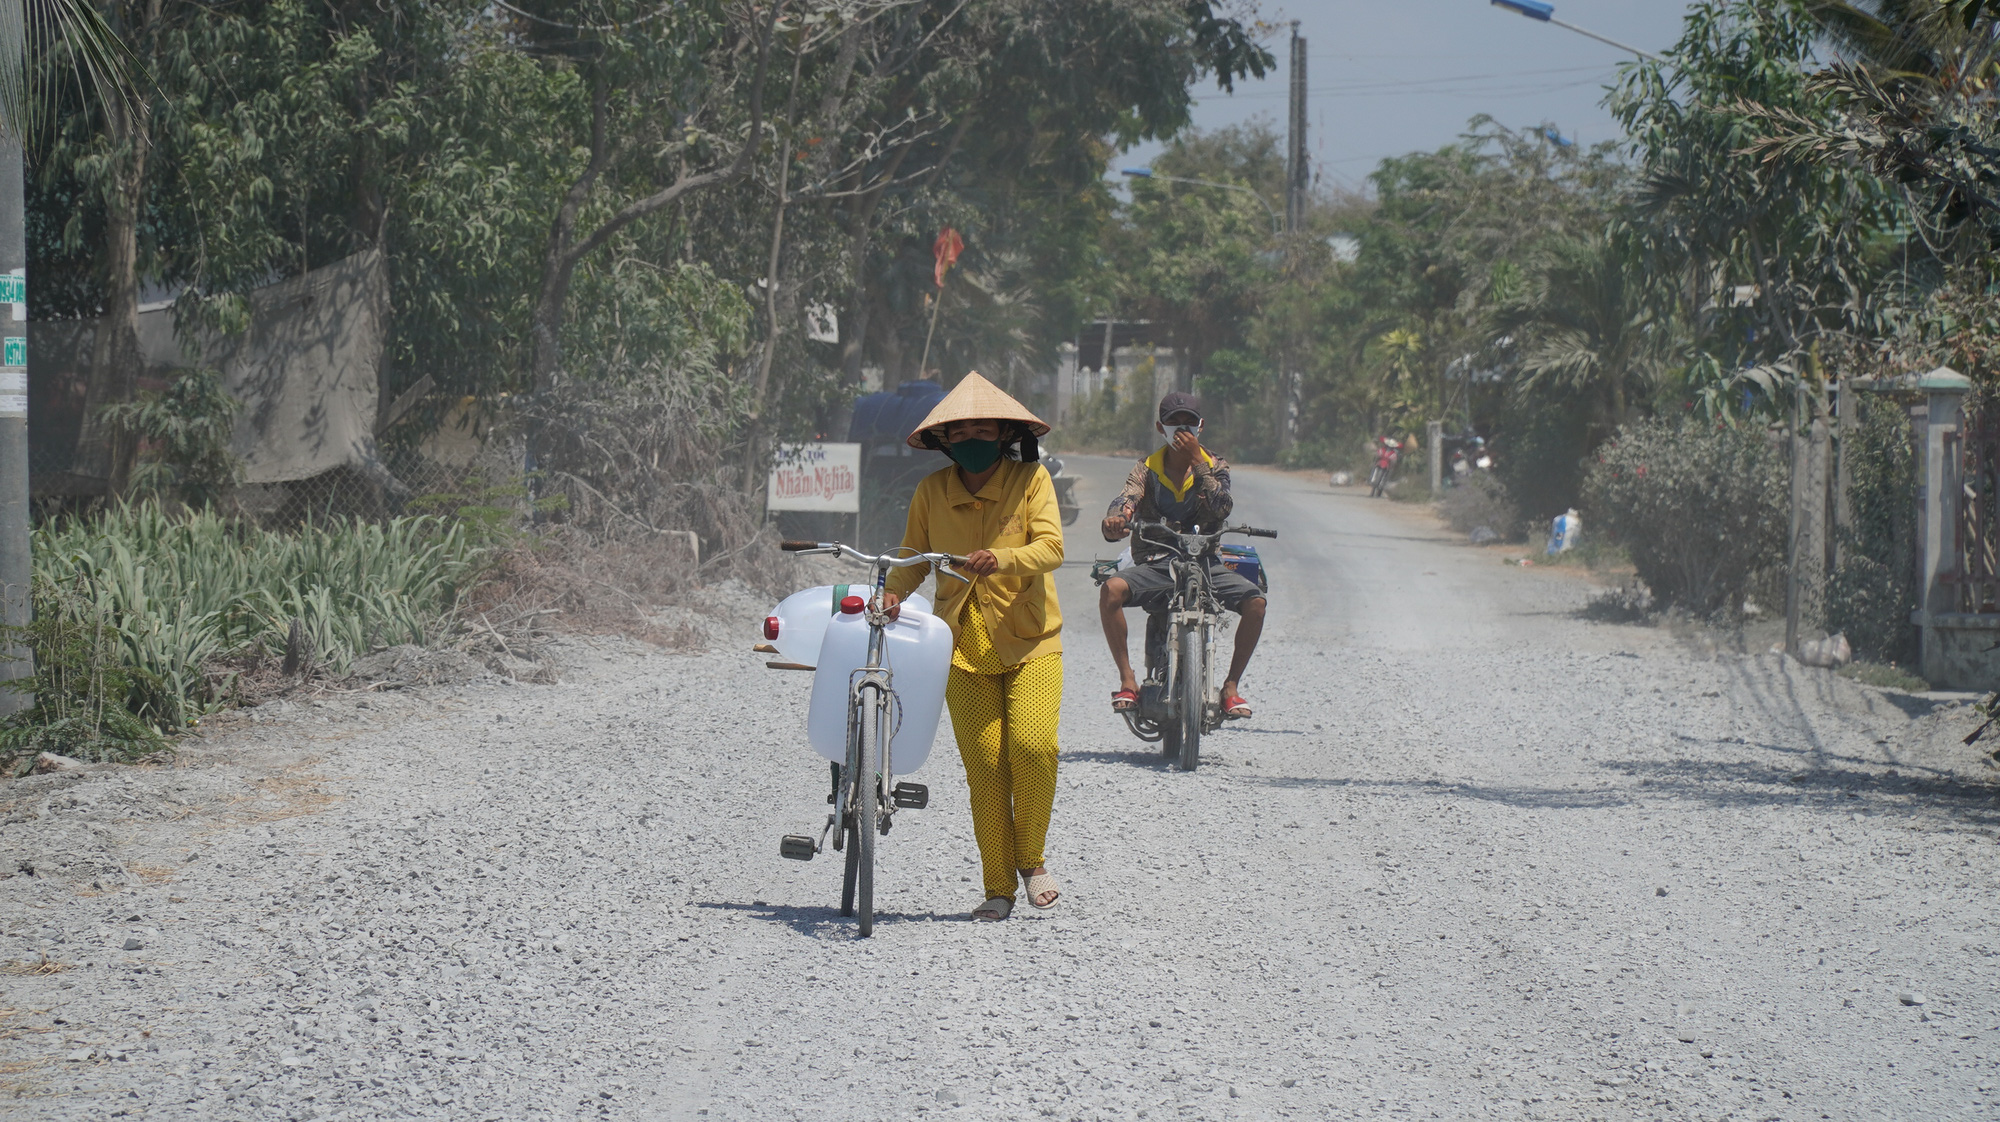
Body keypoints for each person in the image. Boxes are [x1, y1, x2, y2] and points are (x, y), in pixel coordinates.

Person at [881, 372, 1065, 922]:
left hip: (1030, 637)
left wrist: (1001, 558)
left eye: (985, 427)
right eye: (961, 430)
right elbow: (912, 556)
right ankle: (997, 889)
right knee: (985, 766)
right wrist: (891, 595)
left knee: (1032, 748)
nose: (973, 436)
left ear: (1005, 433)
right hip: (960, 646)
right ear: (946, 440)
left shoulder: (1031, 480)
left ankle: (1030, 860)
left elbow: (1052, 546)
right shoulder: (931, 492)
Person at [1098, 391, 1266, 718]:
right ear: (1161, 428)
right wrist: (1117, 519)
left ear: (1200, 426)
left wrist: (1197, 462)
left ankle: (1230, 687)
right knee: (1111, 590)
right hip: (1157, 563)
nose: (1182, 428)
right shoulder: (1146, 468)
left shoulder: (1215, 466)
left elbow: (1222, 506)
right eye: (1174, 422)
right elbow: (1125, 500)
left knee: (1256, 602)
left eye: (1188, 421)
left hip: (1205, 563)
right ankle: (1128, 680)